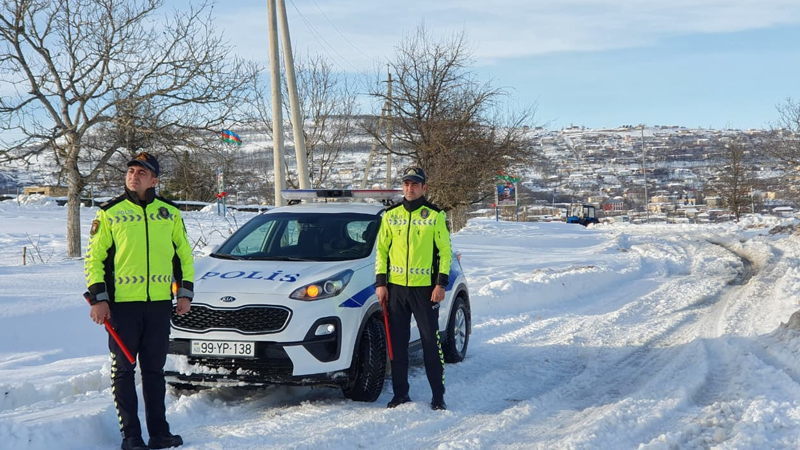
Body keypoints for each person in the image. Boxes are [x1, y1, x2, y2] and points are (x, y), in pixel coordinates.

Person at [85, 152, 194, 450]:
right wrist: (98, 299)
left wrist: (184, 293)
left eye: (141, 173)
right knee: (123, 371)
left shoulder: (169, 213)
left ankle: (159, 434)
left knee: (154, 372)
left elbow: (183, 255)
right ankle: (131, 436)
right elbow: (94, 259)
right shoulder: (110, 213)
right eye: (131, 171)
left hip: (158, 306)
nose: (134, 176)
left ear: (154, 180)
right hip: (121, 308)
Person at [375, 167, 452, 411]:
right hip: (396, 290)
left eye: (415, 184)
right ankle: (400, 394)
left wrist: (440, 284)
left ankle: (438, 397)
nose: (410, 188)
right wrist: (381, 284)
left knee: (431, 342)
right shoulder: (390, 215)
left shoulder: (435, 215)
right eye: (407, 184)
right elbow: (382, 251)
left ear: (424, 188)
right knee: (398, 344)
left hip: (425, 290)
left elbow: (445, 252)